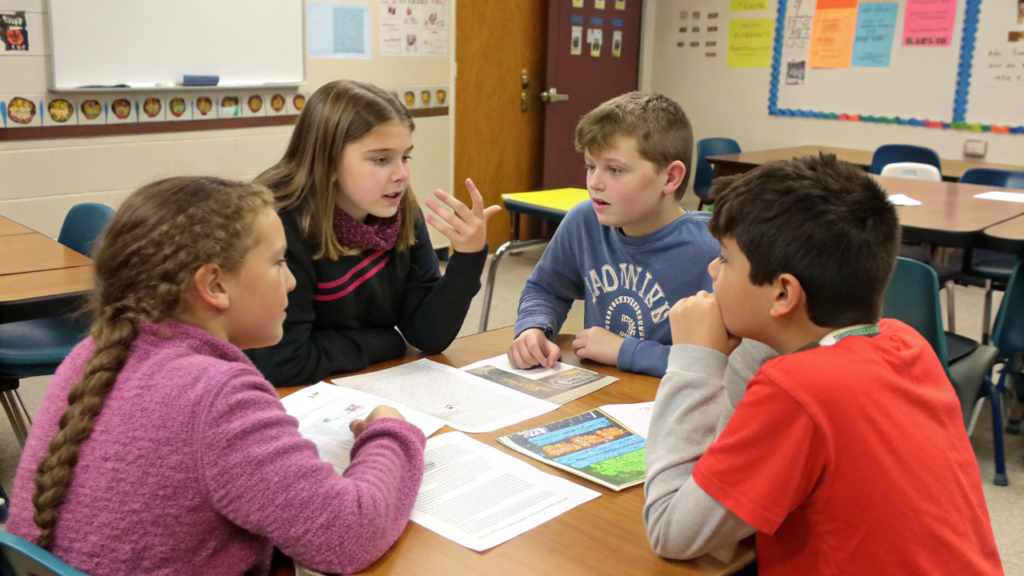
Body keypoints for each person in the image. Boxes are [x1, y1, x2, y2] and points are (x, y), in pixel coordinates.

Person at [7, 177, 426, 575]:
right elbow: (347, 534)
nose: (292, 279)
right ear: (214, 284)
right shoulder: (218, 395)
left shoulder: (91, 353)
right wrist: (389, 432)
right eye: (278, 262)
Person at [644, 154, 1004, 575]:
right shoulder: (905, 342)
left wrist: (695, 360)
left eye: (724, 258)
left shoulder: (798, 390)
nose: (711, 268)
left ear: (783, 294)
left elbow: (671, 529)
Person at [248, 80, 499, 387]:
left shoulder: (399, 210)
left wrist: (469, 258)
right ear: (328, 163)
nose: (402, 175)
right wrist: (386, 342)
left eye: (405, 157)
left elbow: (428, 336)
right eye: (381, 159)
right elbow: (283, 363)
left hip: (354, 384)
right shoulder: (280, 224)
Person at [508, 92, 719, 377]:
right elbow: (546, 288)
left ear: (670, 178)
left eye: (615, 170)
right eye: (590, 166)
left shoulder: (715, 250)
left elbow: (726, 364)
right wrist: (534, 327)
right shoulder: (584, 221)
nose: (594, 183)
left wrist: (625, 351)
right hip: (603, 393)